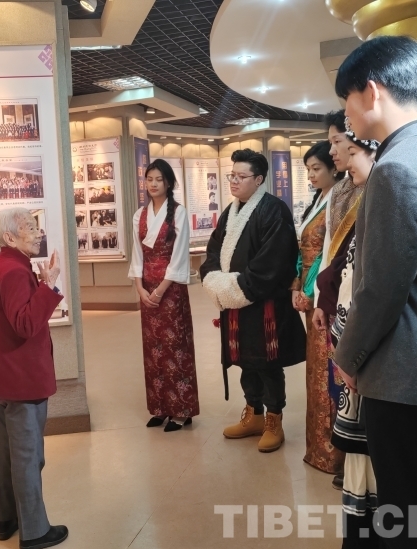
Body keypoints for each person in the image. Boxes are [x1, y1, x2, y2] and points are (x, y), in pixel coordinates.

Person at [334, 35, 417, 549]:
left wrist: (347, 357)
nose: (346, 114)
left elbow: (381, 290)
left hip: (408, 380)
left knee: (413, 521)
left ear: (371, 90)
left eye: (346, 98)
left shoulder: (396, 169)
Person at [0, 207, 68, 549]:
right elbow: (26, 324)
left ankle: (6, 519)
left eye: (36, 225)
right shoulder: (14, 271)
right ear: (9, 237)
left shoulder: (3, 264)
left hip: (3, 378)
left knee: (5, 453)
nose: (37, 231)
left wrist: (43, 285)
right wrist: (50, 286)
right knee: (28, 456)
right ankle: (34, 531)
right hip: (20, 379)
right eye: (29, 226)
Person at [201, 149, 306, 453]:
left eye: (241, 176)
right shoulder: (231, 211)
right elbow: (213, 250)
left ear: (258, 180)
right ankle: (253, 413)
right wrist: (214, 280)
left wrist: (240, 287)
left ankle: (274, 419)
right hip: (236, 301)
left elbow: (274, 261)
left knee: (267, 361)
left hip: (263, 302)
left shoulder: (274, 210)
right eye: (231, 175)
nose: (233, 181)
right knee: (245, 360)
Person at [319, 127, 383, 549]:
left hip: (372, 357)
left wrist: (351, 354)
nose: (338, 152)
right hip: (354, 346)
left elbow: (373, 291)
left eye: (350, 148)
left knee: (377, 466)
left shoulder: (384, 198)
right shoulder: (358, 194)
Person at [129, 159, 199, 432]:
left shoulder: (178, 212)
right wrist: (140, 288)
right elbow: (137, 254)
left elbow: (180, 255)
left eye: (159, 179)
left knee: (175, 345)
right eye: (149, 179)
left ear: (168, 183)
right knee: (153, 348)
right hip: (147, 288)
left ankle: (181, 410)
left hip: (171, 289)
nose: (153, 184)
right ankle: (159, 408)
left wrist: (160, 290)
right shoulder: (140, 215)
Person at [291, 141, 345, 475]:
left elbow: (329, 255)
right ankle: (318, 448)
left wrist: (310, 290)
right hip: (310, 294)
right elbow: (304, 252)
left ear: (333, 168)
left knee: (328, 372)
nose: (311, 175)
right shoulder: (320, 199)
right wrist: (297, 286)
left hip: (326, 296)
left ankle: (332, 451)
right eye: (308, 169)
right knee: (315, 371)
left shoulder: (339, 199)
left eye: (316, 169)